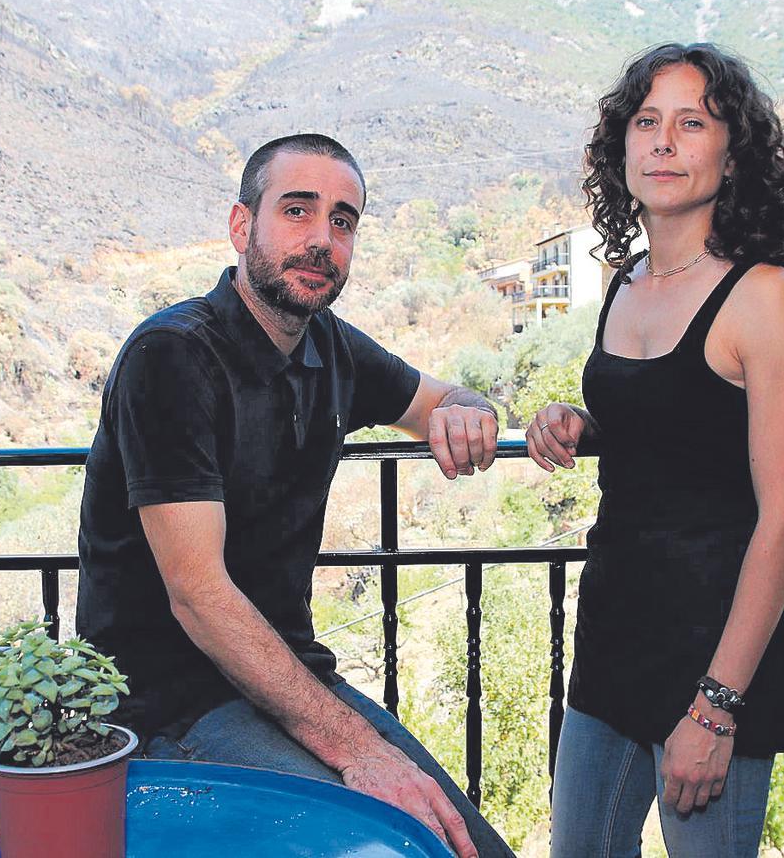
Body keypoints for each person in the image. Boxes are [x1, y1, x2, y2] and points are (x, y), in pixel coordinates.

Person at [76, 133, 514, 858]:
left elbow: (442, 395)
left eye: (342, 221)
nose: (321, 238)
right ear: (242, 226)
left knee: (470, 845)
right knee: (384, 847)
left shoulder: (330, 348)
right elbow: (198, 595)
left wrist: (471, 407)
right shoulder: (174, 355)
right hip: (169, 706)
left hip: (285, 681)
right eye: (298, 210)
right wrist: (357, 749)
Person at [527, 43, 784, 856]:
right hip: (613, 639)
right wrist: (577, 422)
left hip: (714, 659)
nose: (663, 141)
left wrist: (717, 703)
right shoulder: (624, 284)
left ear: (732, 158)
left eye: (692, 123)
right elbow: (670, 430)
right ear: (619, 147)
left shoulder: (765, 297)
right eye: (646, 120)